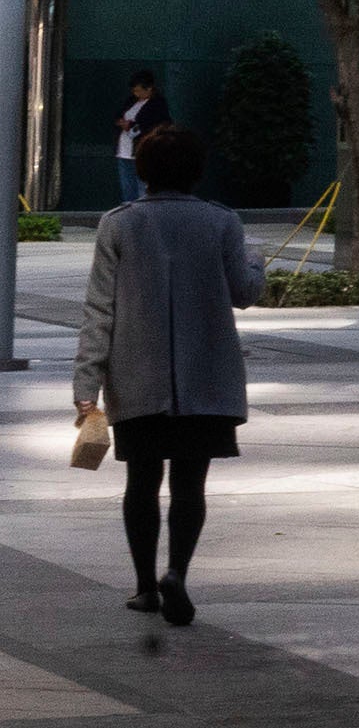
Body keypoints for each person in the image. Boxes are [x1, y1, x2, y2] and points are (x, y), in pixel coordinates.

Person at [75, 123, 258, 626]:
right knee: (190, 484)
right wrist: (257, 262)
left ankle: (143, 587)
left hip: (138, 377)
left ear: (142, 169)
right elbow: (244, 291)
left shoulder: (119, 223)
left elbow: (99, 310)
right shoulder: (222, 222)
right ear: (197, 171)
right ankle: (176, 572)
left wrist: (85, 387)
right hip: (208, 379)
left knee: (141, 482)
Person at [110, 68, 165, 207]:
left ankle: (143, 215)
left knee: (142, 187)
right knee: (127, 188)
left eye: (139, 91)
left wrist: (132, 126)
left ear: (149, 88)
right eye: (134, 91)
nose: (136, 94)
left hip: (142, 151)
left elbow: (153, 126)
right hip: (124, 151)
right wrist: (121, 122)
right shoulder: (131, 101)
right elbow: (118, 114)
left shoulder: (157, 104)